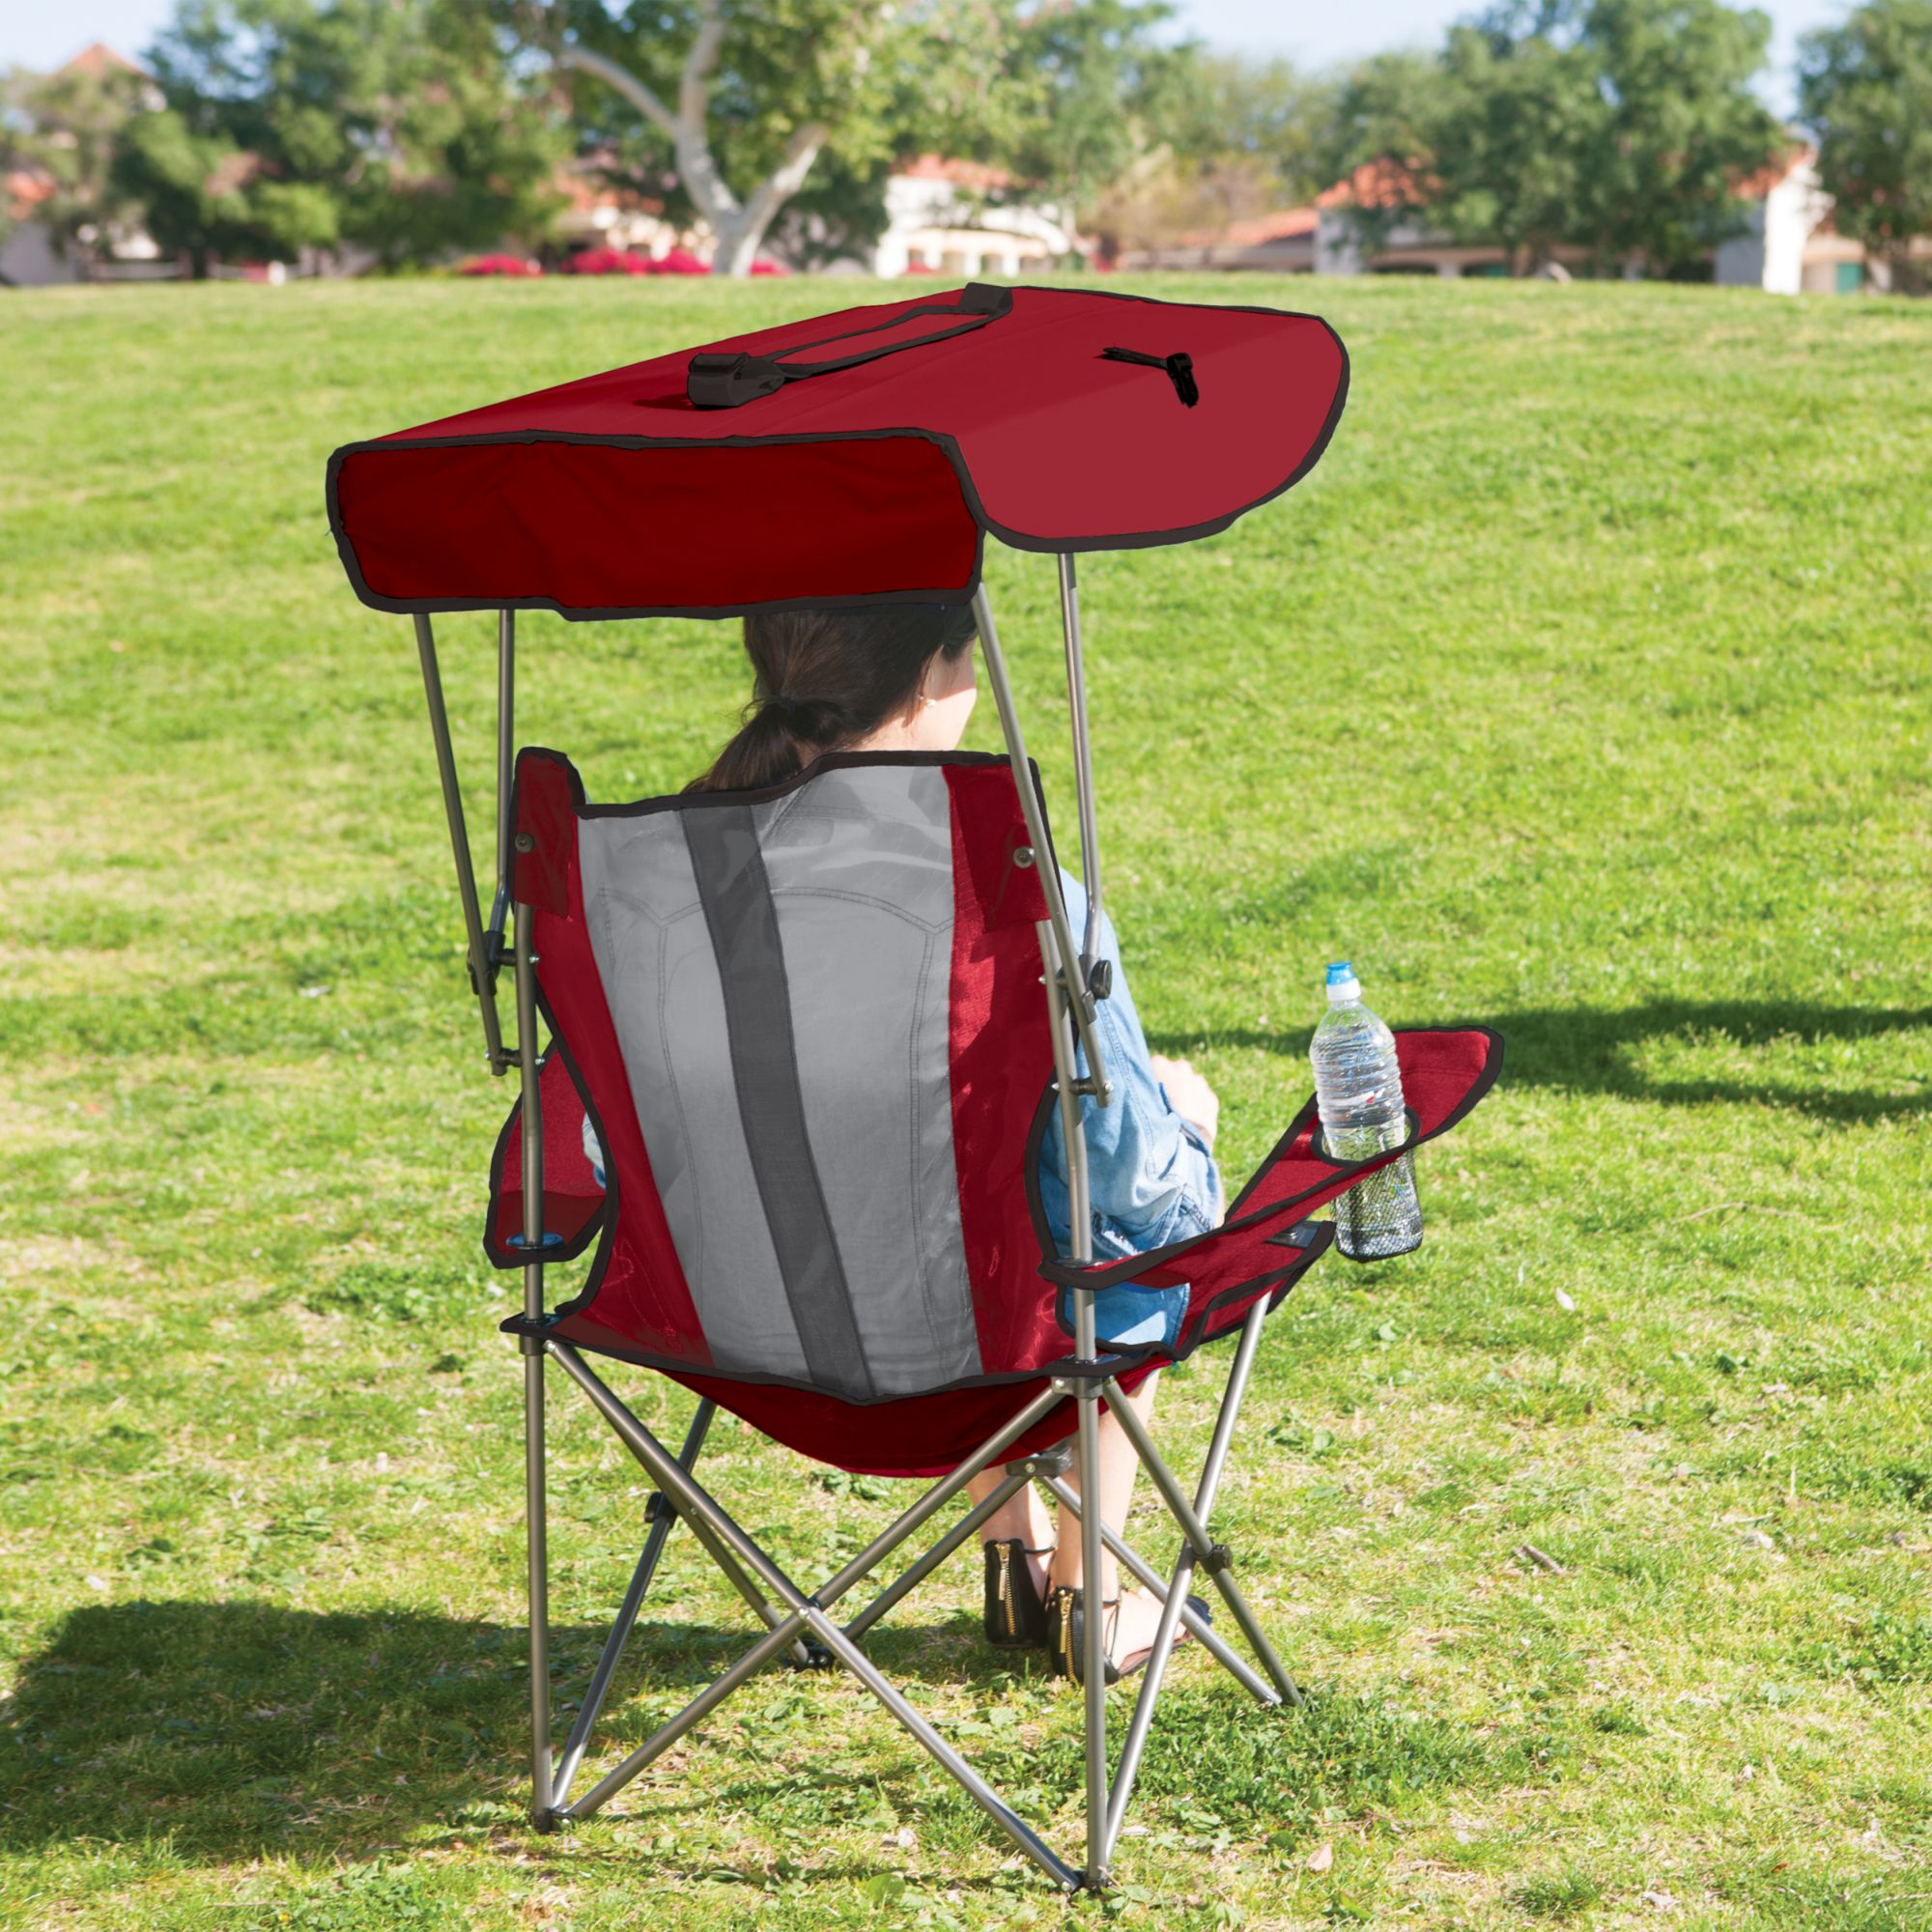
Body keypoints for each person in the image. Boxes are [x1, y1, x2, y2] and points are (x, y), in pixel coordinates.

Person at [689, 601, 1221, 1682]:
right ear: (933, 681)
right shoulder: (1018, 895)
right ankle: (1091, 1587)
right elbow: (1120, 1170)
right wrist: (1189, 1122)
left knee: (931, 1196)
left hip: (774, 1324)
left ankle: (1009, 1552)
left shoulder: (689, 878)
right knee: (1130, 1223)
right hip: (991, 1328)